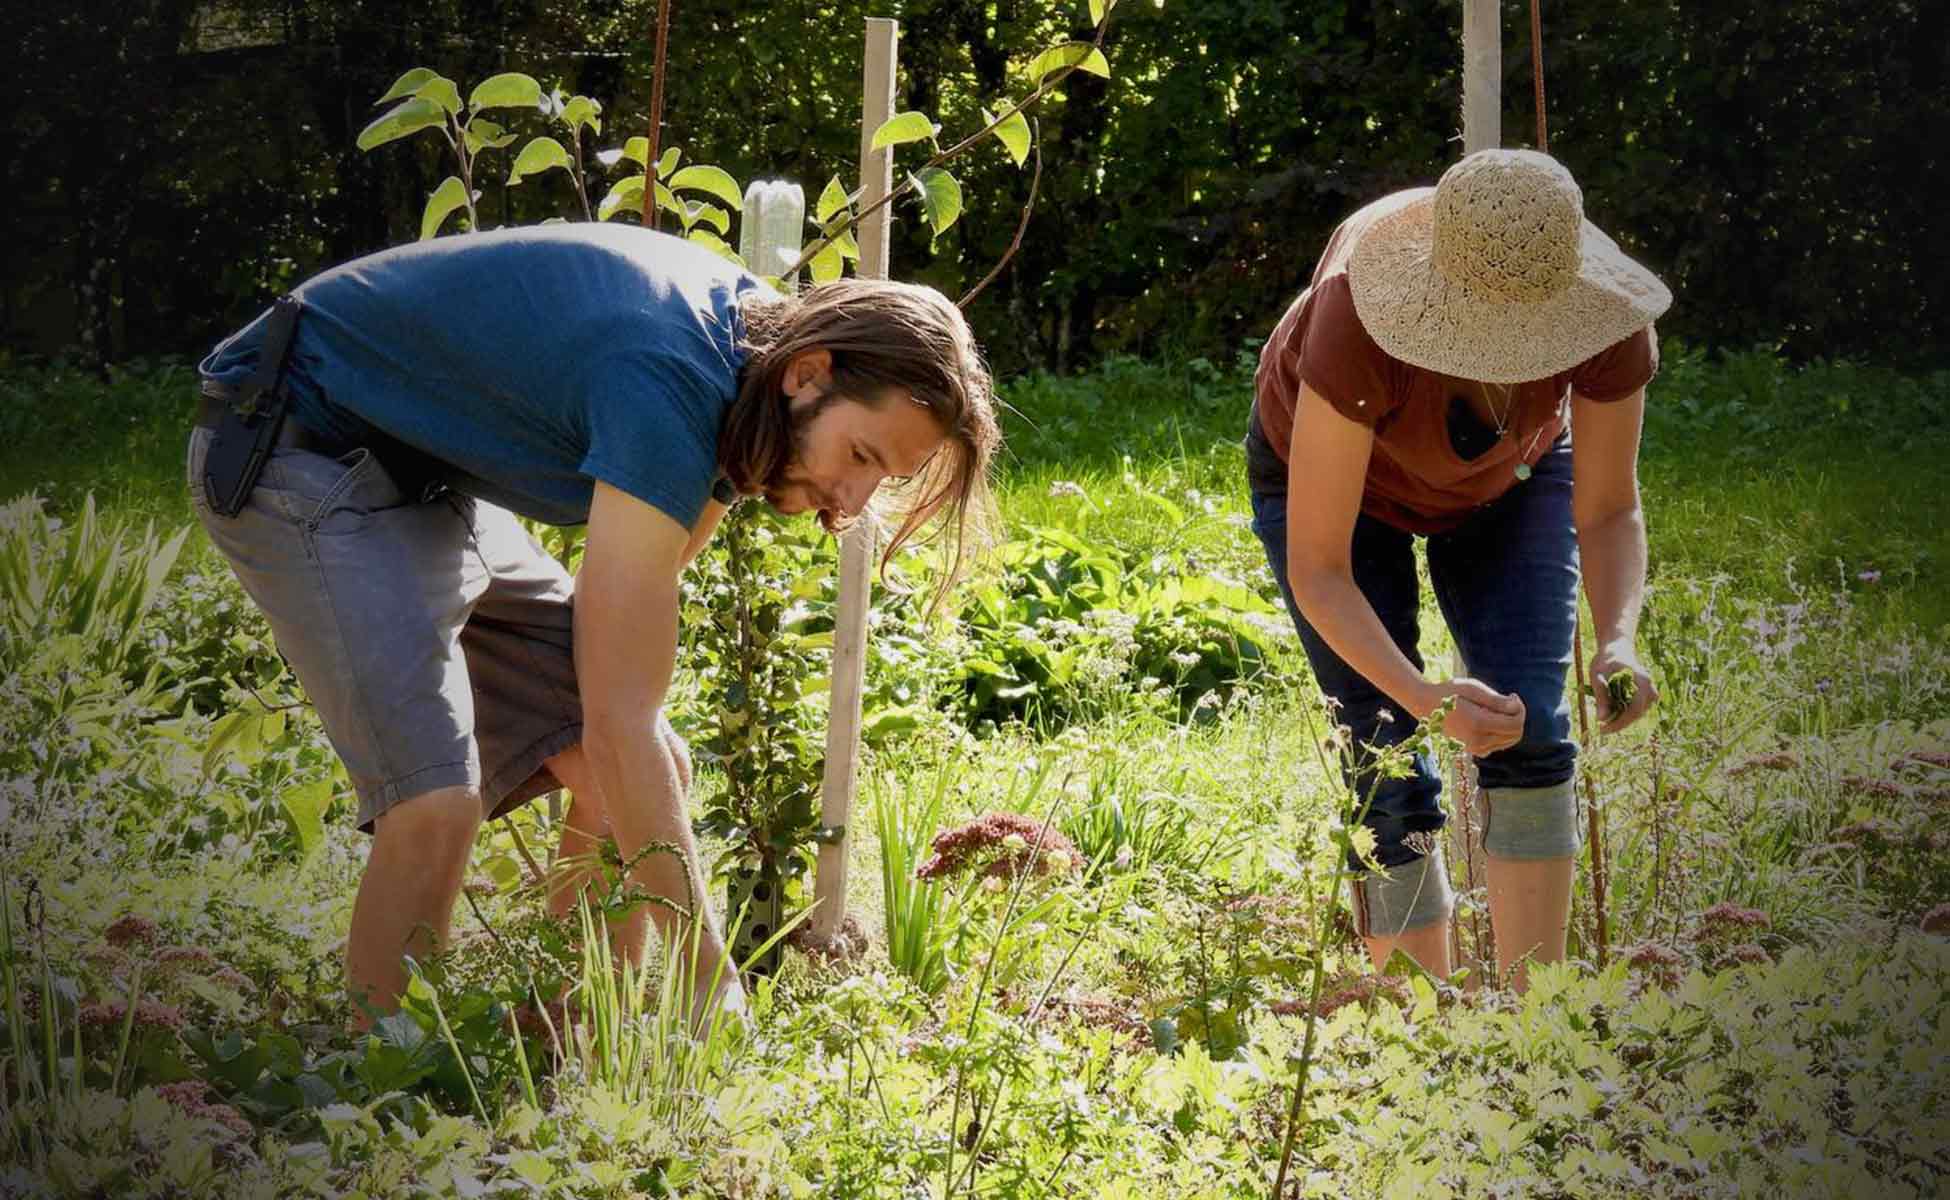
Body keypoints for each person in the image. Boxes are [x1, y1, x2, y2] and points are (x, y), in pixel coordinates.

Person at [189, 223, 999, 1022]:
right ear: (809, 376)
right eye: (859, 457)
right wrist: (707, 976)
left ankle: (567, 1027)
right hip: (296, 438)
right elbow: (618, 720)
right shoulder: (671, 382)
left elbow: (619, 650)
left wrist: (601, 742)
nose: (850, 505)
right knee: (436, 803)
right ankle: (392, 1092)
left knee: (646, 779)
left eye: (881, 477)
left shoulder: (753, 375)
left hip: (417, 471)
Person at [1244, 149, 1669, 991]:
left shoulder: (1610, 321)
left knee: (1534, 725)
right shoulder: (1357, 318)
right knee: (1386, 756)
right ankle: (1422, 1046)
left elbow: (1609, 510)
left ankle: (1534, 1034)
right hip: (1343, 495)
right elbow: (1322, 569)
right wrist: (1424, 697)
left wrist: (1618, 641)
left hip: (1510, 482)